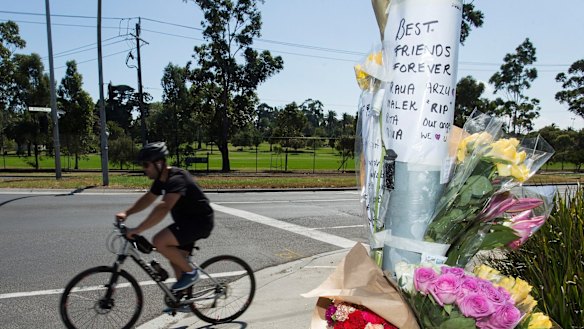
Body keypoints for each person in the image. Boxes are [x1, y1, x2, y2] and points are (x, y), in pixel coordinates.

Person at [115, 141, 214, 291]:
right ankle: (183, 300)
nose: (144, 169)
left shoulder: (177, 178)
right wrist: (127, 213)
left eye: (146, 165)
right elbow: (148, 198)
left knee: (159, 241)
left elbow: (163, 207)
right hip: (186, 222)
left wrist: (138, 229)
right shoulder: (161, 181)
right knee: (176, 260)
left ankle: (192, 273)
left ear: (159, 163)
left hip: (199, 222)